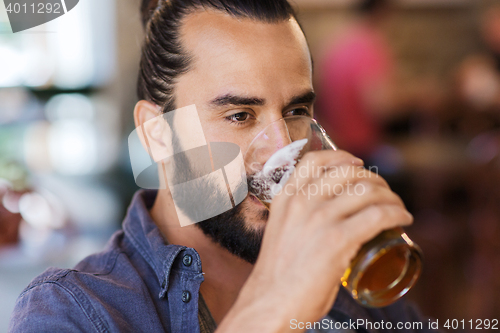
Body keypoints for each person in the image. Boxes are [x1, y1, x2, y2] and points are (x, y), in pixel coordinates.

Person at [9, 0, 436, 332]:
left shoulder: (346, 277)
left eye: (295, 110)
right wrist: (273, 307)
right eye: (239, 116)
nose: (281, 150)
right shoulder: (74, 311)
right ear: (157, 134)